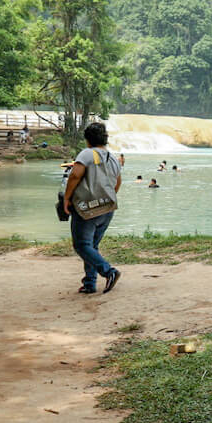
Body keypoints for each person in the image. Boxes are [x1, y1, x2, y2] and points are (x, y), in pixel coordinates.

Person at [62, 121, 122, 294]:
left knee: (81, 245)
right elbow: (117, 183)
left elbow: (75, 176)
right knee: (92, 246)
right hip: (107, 209)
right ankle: (89, 283)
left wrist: (67, 198)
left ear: (87, 139)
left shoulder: (87, 153)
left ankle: (109, 272)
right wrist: (107, 199)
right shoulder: (113, 158)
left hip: (88, 209)